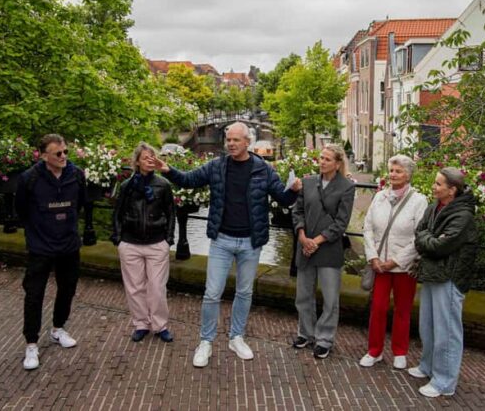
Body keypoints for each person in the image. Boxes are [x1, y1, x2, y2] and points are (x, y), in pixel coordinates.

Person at [151, 122, 302, 368]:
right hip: (222, 240)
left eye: (235, 140)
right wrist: (167, 169)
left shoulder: (263, 169)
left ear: (247, 142)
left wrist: (294, 190)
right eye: (228, 140)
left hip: (251, 243)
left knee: (244, 292)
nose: (230, 144)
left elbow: (283, 198)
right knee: (212, 293)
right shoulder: (216, 166)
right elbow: (190, 180)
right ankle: (206, 341)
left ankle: (236, 337)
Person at [15, 134, 86, 371]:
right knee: (34, 294)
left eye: (66, 151)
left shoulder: (76, 176)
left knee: (67, 289)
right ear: (43, 155)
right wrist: (36, 233)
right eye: (58, 153)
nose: (64, 156)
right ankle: (31, 343)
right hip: (40, 247)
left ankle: (58, 329)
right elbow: (21, 210)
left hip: (68, 245)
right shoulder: (29, 179)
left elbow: (81, 204)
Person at [409, 167, 477, 398]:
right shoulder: (434, 206)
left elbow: (440, 247)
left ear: (452, 190)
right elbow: (419, 232)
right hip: (431, 273)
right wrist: (430, 238)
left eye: (439, 184)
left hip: (449, 276)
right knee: (427, 325)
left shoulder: (463, 215)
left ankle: (444, 382)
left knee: (447, 331)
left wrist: (428, 239)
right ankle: (427, 366)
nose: (434, 187)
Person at [359, 154, 428, 369]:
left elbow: (419, 236)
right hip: (379, 264)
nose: (393, 175)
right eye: (391, 170)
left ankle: (400, 351)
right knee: (377, 308)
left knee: (403, 309)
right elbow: (368, 227)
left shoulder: (419, 200)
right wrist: (373, 257)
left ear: (408, 175)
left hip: (403, 267)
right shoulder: (379, 197)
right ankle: (374, 351)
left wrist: (395, 261)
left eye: (398, 171)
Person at [291, 144, 356, 359]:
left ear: (337, 164)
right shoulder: (308, 182)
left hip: (328, 249)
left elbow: (341, 222)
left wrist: (316, 241)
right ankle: (305, 333)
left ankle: (325, 339)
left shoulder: (346, 187)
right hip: (305, 247)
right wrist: (301, 236)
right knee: (303, 295)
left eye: (327, 159)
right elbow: (297, 211)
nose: (322, 162)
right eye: (321, 158)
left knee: (330, 299)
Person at [111, 142, 176, 343]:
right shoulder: (126, 186)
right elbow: (117, 214)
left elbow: (171, 213)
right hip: (130, 243)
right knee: (135, 287)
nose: (149, 160)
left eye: (152, 157)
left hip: (157, 243)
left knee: (157, 287)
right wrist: (119, 239)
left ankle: (160, 325)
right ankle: (141, 323)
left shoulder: (163, 185)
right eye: (145, 157)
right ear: (137, 161)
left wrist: (168, 240)